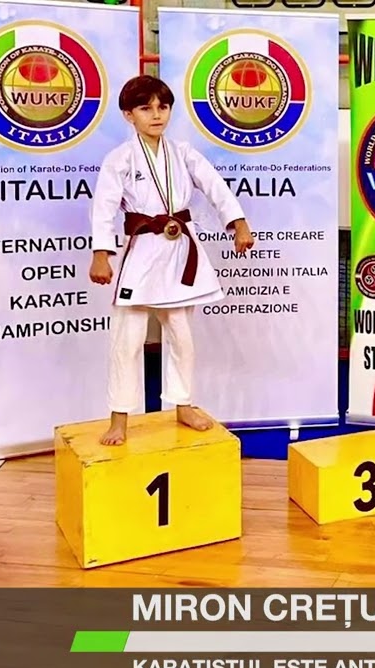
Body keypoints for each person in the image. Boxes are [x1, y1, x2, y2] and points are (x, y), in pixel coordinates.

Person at [88, 75, 254, 446]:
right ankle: (119, 418)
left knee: (182, 336)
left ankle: (183, 404)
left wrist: (238, 223)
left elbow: (215, 186)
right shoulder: (120, 159)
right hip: (142, 251)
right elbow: (104, 208)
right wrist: (101, 254)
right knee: (127, 341)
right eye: (145, 108)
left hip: (179, 252)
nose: (156, 115)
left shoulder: (183, 153)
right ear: (128, 115)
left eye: (162, 107)